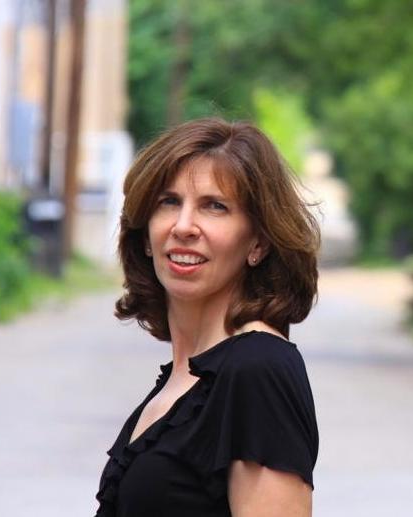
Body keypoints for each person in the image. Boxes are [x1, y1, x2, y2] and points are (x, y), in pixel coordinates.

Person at [94, 118, 320, 517]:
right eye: (168, 202)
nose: (183, 227)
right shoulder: (182, 382)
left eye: (215, 206)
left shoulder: (259, 369)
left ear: (258, 242)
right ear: (145, 235)